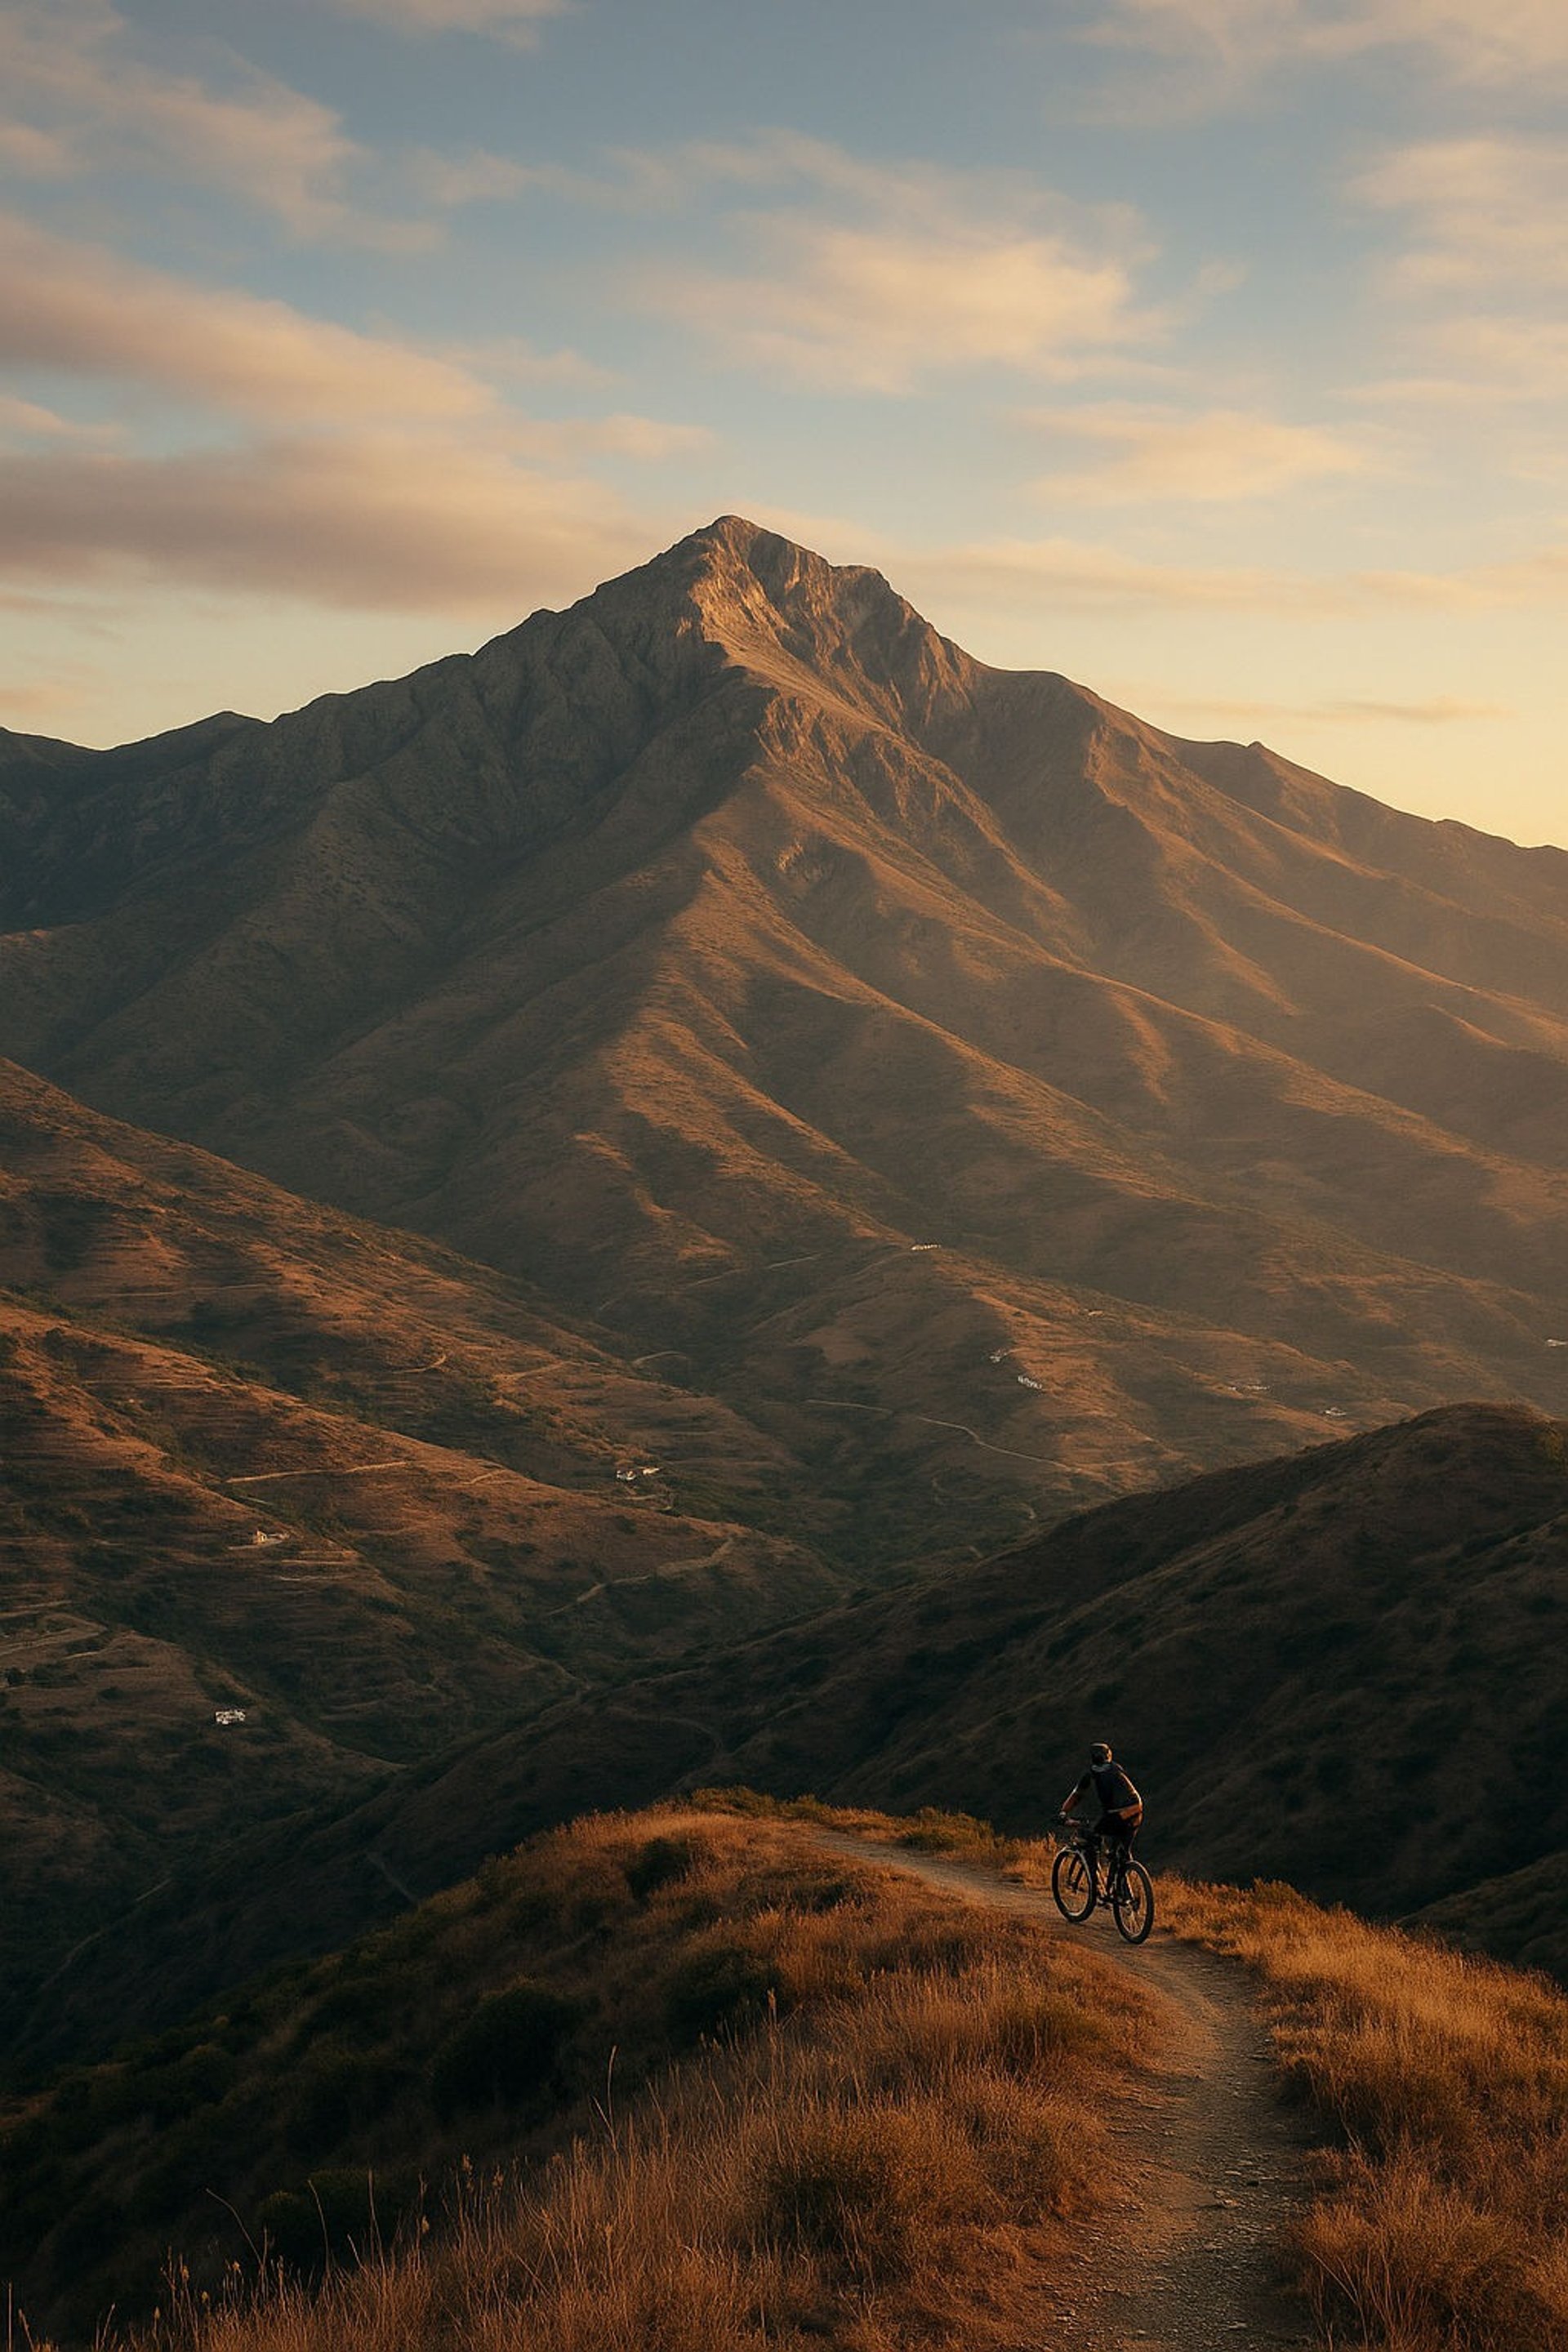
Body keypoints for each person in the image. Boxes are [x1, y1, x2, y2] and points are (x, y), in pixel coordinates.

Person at [1060, 1741, 1143, 1881]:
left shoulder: (1091, 1773)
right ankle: (1123, 1886)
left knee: (1091, 1838)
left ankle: (1096, 1882)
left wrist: (1063, 1813)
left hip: (1115, 1815)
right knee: (1122, 1851)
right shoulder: (1117, 1768)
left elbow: (1076, 1796)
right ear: (1109, 1756)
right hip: (1136, 1811)